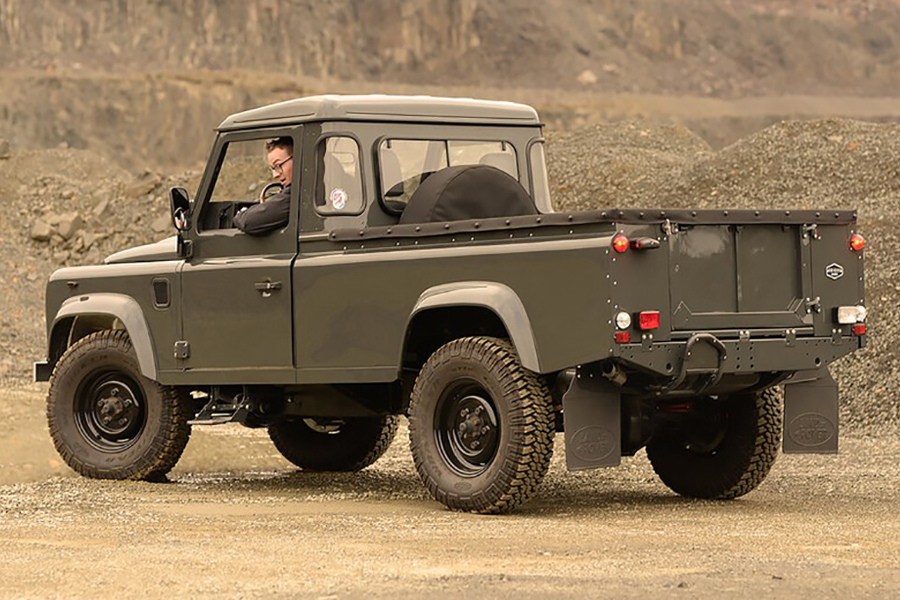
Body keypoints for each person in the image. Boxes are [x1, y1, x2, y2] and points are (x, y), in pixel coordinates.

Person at [234, 137, 293, 235]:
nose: (275, 175)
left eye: (278, 166)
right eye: (273, 169)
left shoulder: (295, 195)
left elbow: (248, 221)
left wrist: (241, 214)